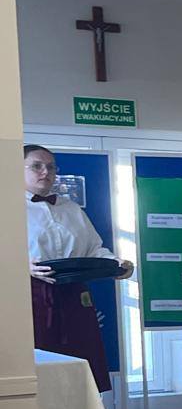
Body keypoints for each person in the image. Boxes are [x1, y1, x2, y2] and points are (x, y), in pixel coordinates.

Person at [25, 144, 133, 393]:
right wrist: (21, 266)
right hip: (31, 296)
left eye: (51, 167)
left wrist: (116, 264)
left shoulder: (71, 208)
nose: (45, 172)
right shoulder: (6, 207)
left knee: (78, 359)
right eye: (37, 166)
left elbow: (93, 249)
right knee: (37, 365)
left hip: (74, 294)